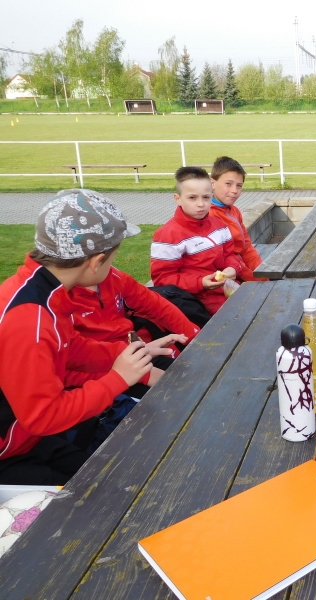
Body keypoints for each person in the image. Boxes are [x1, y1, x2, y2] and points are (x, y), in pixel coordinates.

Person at [0, 189, 177, 485]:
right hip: (11, 450)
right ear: (96, 262)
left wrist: (133, 355)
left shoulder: (43, 290)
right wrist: (118, 379)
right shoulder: (30, 319)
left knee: (110, 479)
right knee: (98, 498)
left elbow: (71, 348)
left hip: (28, 439)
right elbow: (43, 416)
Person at [66, 266, 200, 398]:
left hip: (135, 354)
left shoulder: (112, 276)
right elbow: (68, 365)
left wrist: (197, 339)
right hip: (101, 376)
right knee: (178, 399)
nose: (111, 268)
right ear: (95, 262)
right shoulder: (60, 304)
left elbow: (154, 304)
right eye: (107, 262)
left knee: (195, 379)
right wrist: (141, 375)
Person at [150, 166, 245, 316]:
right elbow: (163, 279)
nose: (201, 204)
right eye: (192, 198)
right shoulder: (167, 235)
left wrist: (233, 268)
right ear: (177, 199)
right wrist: (200, 283)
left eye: (206, 197)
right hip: (199, 302)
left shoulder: (219, 224)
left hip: (229, 290)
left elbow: (231, 254)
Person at [209, 156, 263, 281]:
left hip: (244, 269)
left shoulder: (234, 211)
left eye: (239, 185)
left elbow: (247, 247)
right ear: (212, 183)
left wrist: (262, 271)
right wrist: (258, 279)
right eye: (228, 184)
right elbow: (224, 258)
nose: (234, 190)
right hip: (230, 277)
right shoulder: (209, 216)